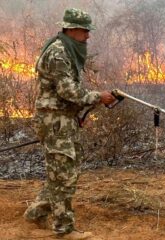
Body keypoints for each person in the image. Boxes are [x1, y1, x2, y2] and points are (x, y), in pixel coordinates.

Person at [23, 8, 115, 240]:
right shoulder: (57, 54)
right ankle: (64, 229)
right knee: (63, 174)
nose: (88, 36)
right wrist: (98, 97)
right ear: (72, 29)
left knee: (65, 171)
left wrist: (79, 112)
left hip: (63, 119)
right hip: (54, 121)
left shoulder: (67, 49)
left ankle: (36, 212)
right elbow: (67, 91)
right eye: (85, 31)